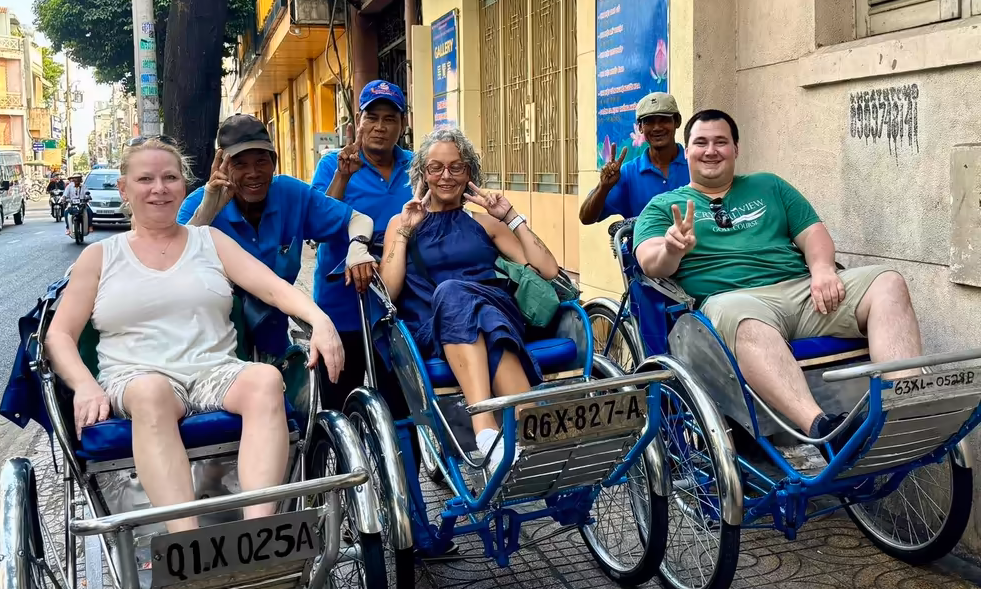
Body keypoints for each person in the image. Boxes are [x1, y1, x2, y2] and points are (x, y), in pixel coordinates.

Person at [44, 136, 344, 532]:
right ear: (124, 188)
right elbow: (59, 335)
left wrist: (320, 321)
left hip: (213, 371)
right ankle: (186, 544)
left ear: (184, 186)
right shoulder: (100, 256)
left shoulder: (210, 241)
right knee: (152, 394)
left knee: (266, 379)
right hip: (134, 377)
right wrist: (84, 385)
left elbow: (272, 287)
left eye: (170, 177)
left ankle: (261, 534)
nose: (159, 188)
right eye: (145, 179)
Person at [633, 108, 925, 446]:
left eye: (720, 142)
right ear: (687, 152)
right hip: (733, 301)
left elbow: (813, 234)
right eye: (700, 143)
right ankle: (822, 429)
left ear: (736, 149)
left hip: (803, 292)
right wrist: (673, 247)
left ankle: (905, 408)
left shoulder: (769, 186)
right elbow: (651, 264)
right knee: (744, 318)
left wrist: (822, 270)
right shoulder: (663, 205)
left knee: (888, 282)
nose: (711, 151)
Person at [379, 127, 560, 466]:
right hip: (433, 329)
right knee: (460, 301)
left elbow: (547, 269)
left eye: (456, 167)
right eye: (436, 167)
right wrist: (405, 231)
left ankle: (489, 430)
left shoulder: (485, 224)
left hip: (496, 312)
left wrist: (510, 216)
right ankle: (530, 424)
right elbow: (389, 291)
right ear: (422, 174)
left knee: (479, 311)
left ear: (469, 174)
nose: (446, 176)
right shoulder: (401, 223)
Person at [178, 114, 376, 367]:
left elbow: (357, 219)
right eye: (239, 164)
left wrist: (358, 249)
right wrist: (207, 211)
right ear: (222, 166)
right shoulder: (198, 204)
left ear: (274, 161)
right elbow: (174, 263)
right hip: (211, 349)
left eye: (261, 161)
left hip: (274, 344)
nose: (253, 173)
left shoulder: (290, 193)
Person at [313, 80, 413, 411]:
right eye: (372, 117)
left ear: (403, 123)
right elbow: (318, 227)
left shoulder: (415, 165)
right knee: (340, 403)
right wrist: (343, 176)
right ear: (359, 120)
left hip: (396, 306)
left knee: (401, 403)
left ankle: (403, 461)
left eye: (390, 118)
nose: (380, 127)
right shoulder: (332, 164)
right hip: (342, 304)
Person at [579, 93, 690, 224]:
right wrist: (603, 187)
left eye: (664, 119)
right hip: (643, 244)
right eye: (649, 121)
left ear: (677, 121)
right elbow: (586, 218)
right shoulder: (628, 173)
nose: (657, 127)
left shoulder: (694, 165)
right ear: (640, 128)